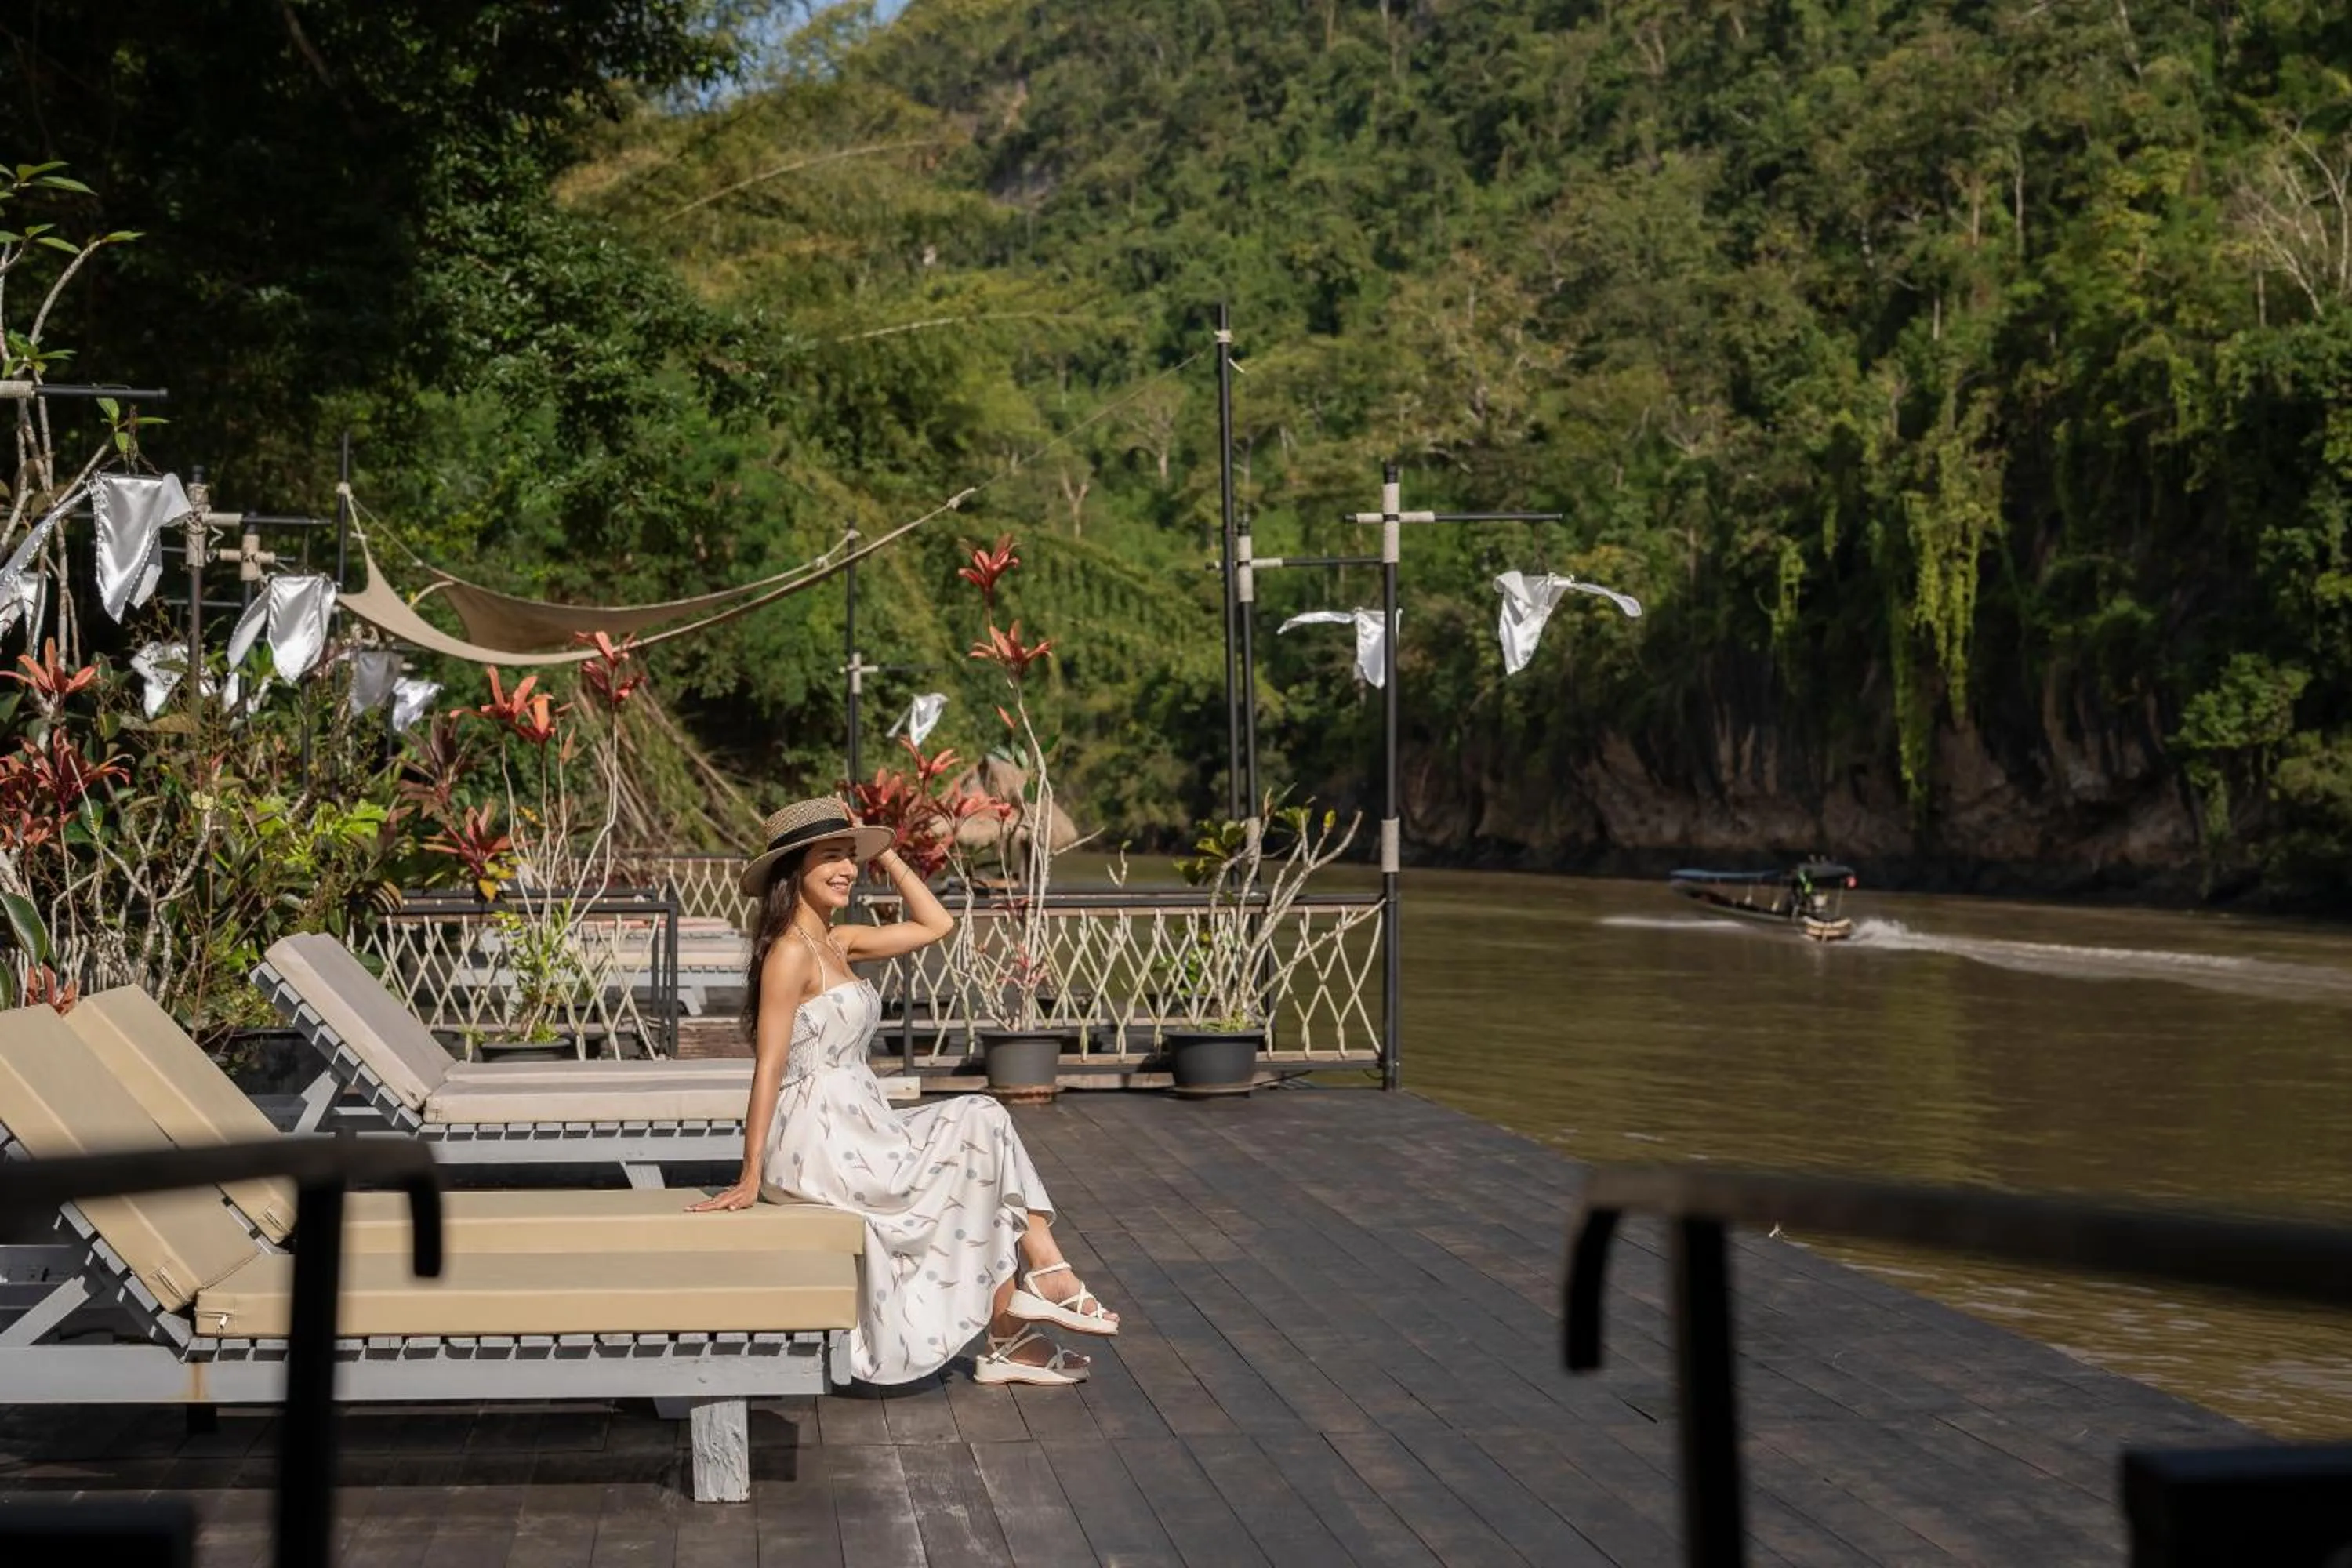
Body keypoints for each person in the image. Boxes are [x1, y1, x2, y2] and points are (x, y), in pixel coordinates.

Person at [688, 796, 1118, 1387]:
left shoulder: (839, 942)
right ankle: (1030, 1299)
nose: (847, 869)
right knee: (979, 1126)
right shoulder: (788, 953)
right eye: (831, 856)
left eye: (850, 857)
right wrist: (750, 1174)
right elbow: (768, 1067)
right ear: (795, 870)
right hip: (820, 1139)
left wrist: (887, 854)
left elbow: (937, 925)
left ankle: (1020, 1312)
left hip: (865, 1125)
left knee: (983, 1127)